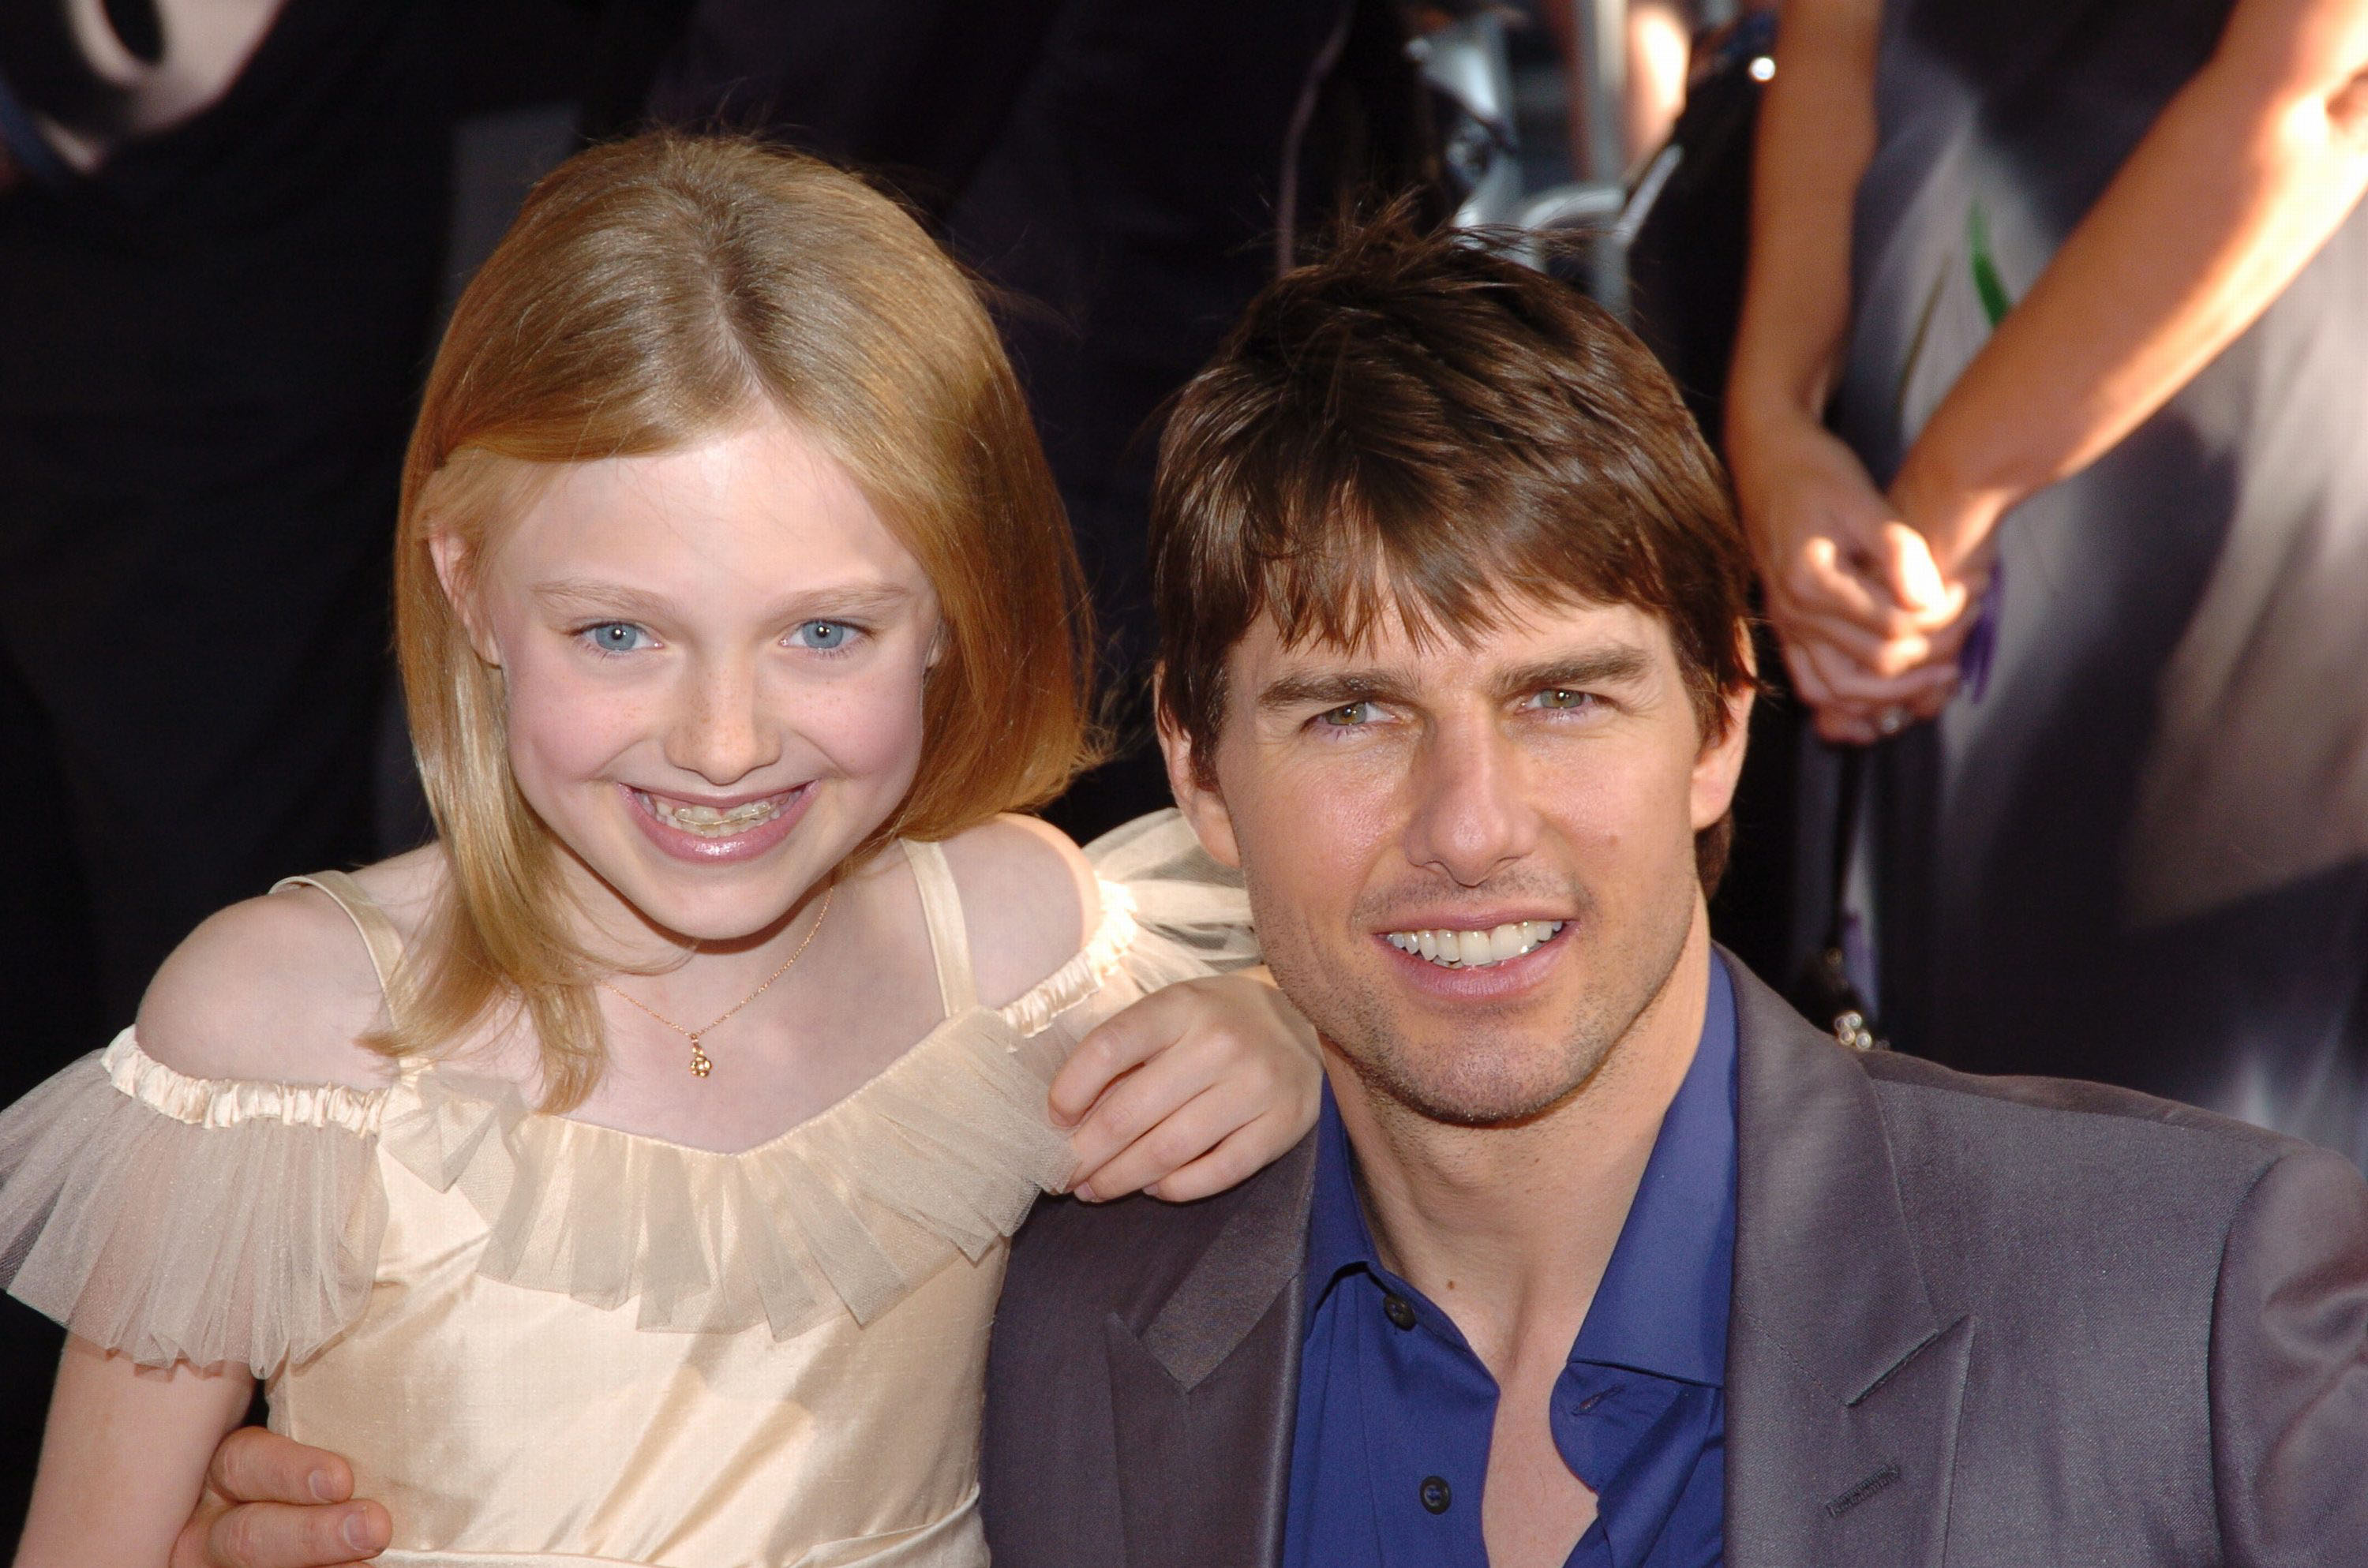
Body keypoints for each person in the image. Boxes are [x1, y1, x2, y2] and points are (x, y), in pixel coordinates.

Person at [183, 215, 2368, 1565]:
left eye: (1565, 699)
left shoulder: (2187, 1309)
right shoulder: (1036, 1337)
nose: (1472, 821)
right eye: (1346, 715)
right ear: (1200, 777)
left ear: (1725, 727)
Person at [0, 132, 1327, 1567]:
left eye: (826, 632)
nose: (721, 743)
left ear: (950, 602)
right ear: (470, 587)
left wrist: (1298, 1041)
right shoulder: (285, 1040)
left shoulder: (1025, 951)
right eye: (617, 633)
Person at [1724, 0, 2368, 1158]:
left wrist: (1940, 492)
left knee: (2195, 1153)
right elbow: (1829, 44)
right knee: (1917, 1093)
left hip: (2199, 424)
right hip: (1893, 431)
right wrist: (1774, 428)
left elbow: (2316, 99)